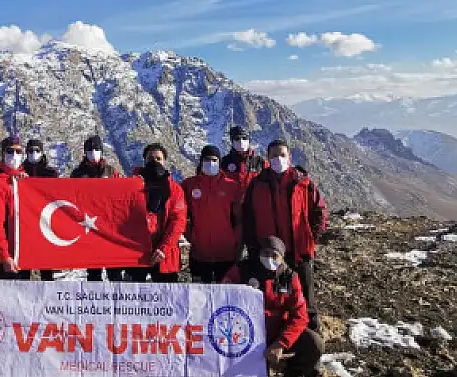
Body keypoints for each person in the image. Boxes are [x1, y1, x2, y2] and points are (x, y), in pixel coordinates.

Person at [241, 139, 328, 332]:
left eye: (282, 155)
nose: (278, 159)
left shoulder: (304, 183)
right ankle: (275, 336)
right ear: (267, 158)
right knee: (272, 298)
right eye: (274, 156)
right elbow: (248, 218)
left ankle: (310, 338)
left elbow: (320, 212)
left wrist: (310, 238)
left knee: (305, 297)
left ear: (290, 157)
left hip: (298, 252)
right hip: (269, 254)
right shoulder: (257, 185)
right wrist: (254, 246)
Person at [223, 236, 324, 377]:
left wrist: (281, 343)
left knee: (313, 343)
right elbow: (222, 295)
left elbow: (300, 315)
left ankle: (294, 372)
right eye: (266, 253)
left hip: (275, 332)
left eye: (274, 256)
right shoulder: (242, 270)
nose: (269, 258)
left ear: (282, 258)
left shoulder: (289, 278)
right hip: (243, 333)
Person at [125, 143, 187, 283]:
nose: (154, 162)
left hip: (165, 254)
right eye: (150, 158)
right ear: (144, 161)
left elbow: (178, 221)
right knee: (131, 300)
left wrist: (163, 248)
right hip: (136, 253)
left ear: (164, 161)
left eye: (158, 159)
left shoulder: (175, 190)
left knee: (167, 300)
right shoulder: (131, 186)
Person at [181, 145, 242, 283]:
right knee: (199, 297)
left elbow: (239, 218)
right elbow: (183, 214)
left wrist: (235, 240)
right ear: (201, 161)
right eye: (207, 159)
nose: (210, 163)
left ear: (219, 162)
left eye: (214, 160)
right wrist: (191, 235)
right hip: (199, 253)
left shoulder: (232, 186)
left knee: (225, 295)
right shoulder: (189, 185)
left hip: (226, 253)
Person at [69, 134, 124, 282]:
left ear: (101, 151)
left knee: (114, 271)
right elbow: (70, 196)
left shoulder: (111, 171)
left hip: (109, 226)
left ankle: (117, 302)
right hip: (88, 225)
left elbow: (122, 193)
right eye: (90, 149)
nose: (93, 152)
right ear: (85, 152)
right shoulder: (77, 174)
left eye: (96, 149)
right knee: (93, 271)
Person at [0, 134, 32, 280]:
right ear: (3, 154)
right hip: (6, 256)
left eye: (18, 151)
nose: (14, 155)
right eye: (10, 151)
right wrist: (4, 256)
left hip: (22, 254)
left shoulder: (22, 179)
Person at [23, 138, 59, 281]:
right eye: (30, 151)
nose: (34, 153)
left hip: (46, 222)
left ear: (42, 152)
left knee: (46, 266)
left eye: (37, 150)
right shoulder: (20, 172)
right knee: (25, 266)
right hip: (26, 223)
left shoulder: (51, 173)